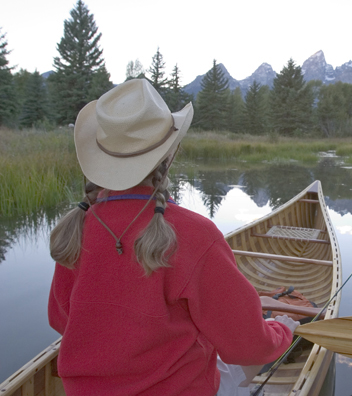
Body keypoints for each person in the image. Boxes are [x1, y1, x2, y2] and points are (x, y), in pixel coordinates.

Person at [48, 79, 298, 396]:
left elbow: (61, 320)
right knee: (240, 361)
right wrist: (282, 330)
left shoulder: (77, 228)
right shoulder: (195, 234)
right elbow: (248, 348)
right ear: (170, 154)